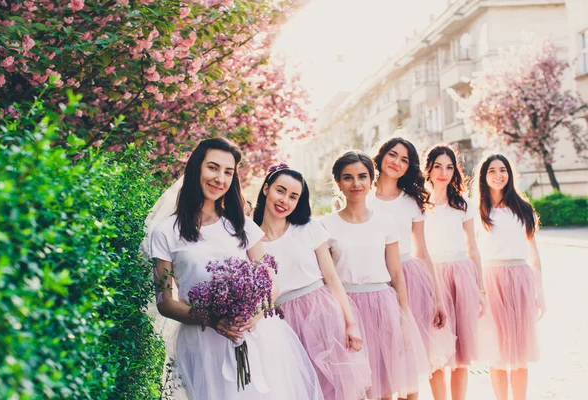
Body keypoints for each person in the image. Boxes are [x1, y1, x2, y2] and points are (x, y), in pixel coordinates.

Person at [148, 137, 322, 400]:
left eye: (228, 172)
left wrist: (256, 312)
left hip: (254, 336)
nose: (220, 178)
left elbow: (271, 281)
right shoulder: (165, 233)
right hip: (202, 344)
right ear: (197, 168)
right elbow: (166, 302)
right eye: (213, 168)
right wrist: (214, 320)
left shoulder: (241, 225)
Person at [253, 162, 371, 400]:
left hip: (323, 316)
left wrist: (350, 323)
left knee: (338, 388)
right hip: (282, 323)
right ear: (266, 189)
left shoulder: (308, 228)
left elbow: (332, 278)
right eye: (280, 190)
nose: (284, 200)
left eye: (293, 196)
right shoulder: (250, 239)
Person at [321, 150, 429, 400]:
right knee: (354, 388)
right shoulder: (325, 225)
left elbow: (397, 274)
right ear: (338, 182)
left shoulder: (385, 221)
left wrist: (403, 316)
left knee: (384, 387)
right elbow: (327, 278)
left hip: (383, 306)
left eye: (362, 176)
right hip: (345, 311)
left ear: (371, 180)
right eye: (348, 177)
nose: (356, 183)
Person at [370, 137, 456, 375]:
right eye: (392, 154)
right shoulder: (363, 195)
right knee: (381, 356)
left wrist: (438, 298)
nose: (397, 162)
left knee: (410, 357)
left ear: (410, 167)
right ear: (381, 155)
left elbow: (422, 251)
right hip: (374, 279)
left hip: (410, 279)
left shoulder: (412, 201)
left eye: (404, 159)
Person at [474, 154, 546, 400]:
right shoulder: (478, 211)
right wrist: (478, 291)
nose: (498, 175)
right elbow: (472, 252)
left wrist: (540, 292)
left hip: (520, 279)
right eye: (492, 171)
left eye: (502, 170)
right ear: (484, 177)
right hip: (491, 280)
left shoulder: (523, 208)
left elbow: (533, 253)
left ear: (509, 173)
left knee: (520, 351)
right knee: (496, 350)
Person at [423, 145, 487, 400]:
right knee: (436, 347)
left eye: (449, 167)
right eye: (438, 166)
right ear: (428, 168)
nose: (443, 172)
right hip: (431, 276)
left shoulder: (464, 205)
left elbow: (473, 247)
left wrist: (480, 290)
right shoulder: (418, 203)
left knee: (462, 350)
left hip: (461, 276)